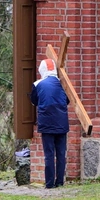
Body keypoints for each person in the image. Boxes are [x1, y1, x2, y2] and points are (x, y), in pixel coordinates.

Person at [30, 58, 69, 189]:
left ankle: (49, 183)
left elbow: (34, 100)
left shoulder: (38, 84)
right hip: (62, 123)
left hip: (46, 123)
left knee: (49, 154)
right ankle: (60, 181)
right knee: (61, 154)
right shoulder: (62, 83)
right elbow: (68, 100)